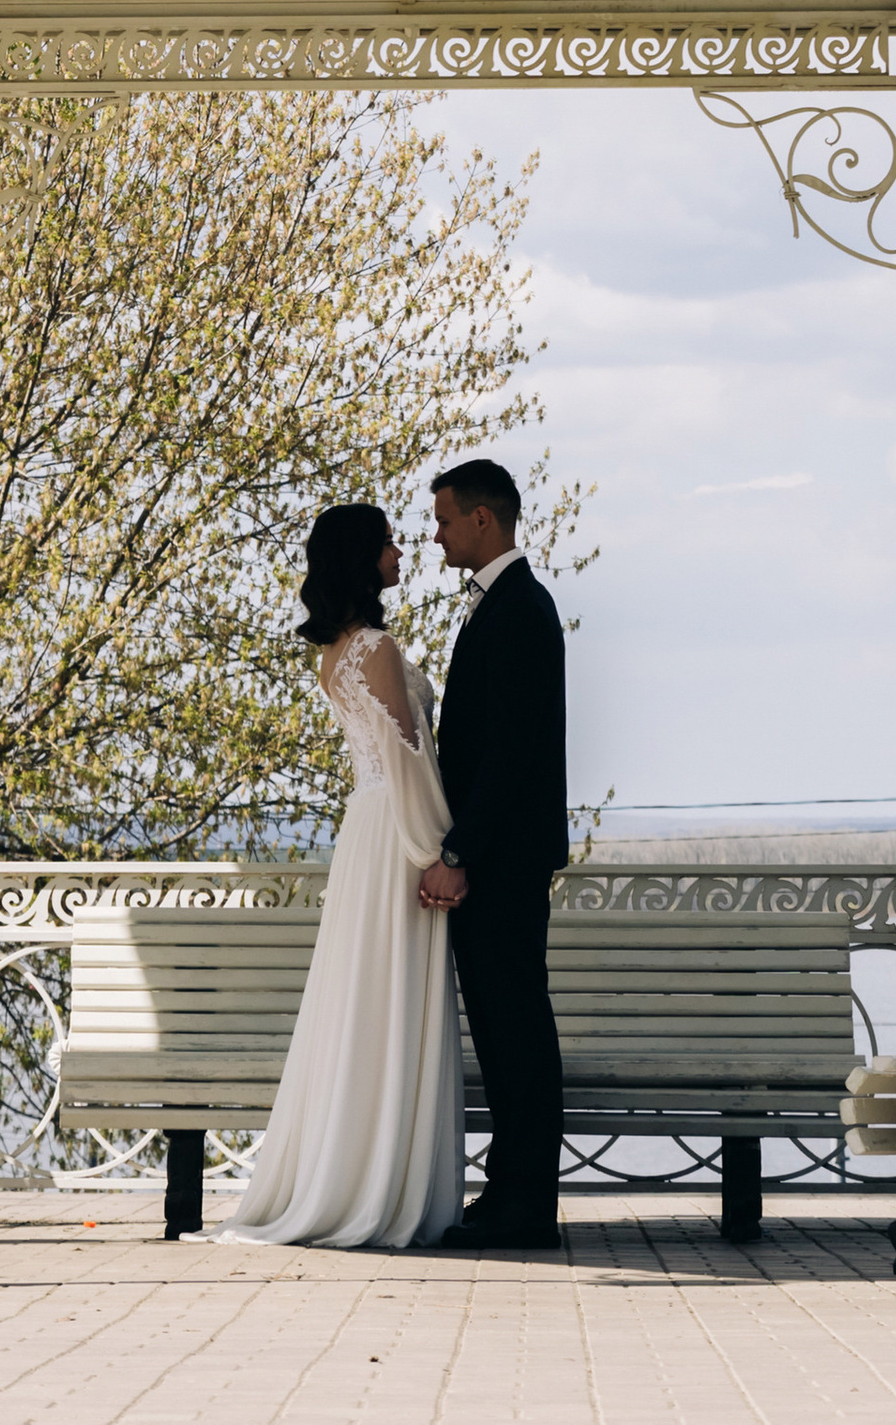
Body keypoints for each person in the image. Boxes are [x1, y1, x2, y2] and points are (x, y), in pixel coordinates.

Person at [223, 503, 464, 1249]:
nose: (402, 551)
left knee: (367, 1000)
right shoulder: (379, 649)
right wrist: (438, 851)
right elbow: (407, 759)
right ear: (363, 559)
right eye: (390, 542)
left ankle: (360, 1169)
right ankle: (379, 1183)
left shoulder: (333, 655)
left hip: (367, 829)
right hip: (397, 829)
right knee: (389, 998)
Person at [416, 456, 567, 1252]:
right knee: (504, 1030)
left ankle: (526, 1204)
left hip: (503, 862)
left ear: (483, 519)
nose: (435, 534)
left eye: (443, 519)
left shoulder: (519, 608)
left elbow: (507, 753)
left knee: (516, 1031)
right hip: (498, 857)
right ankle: (511, 1192)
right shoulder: (503, 604)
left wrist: (460, 851)